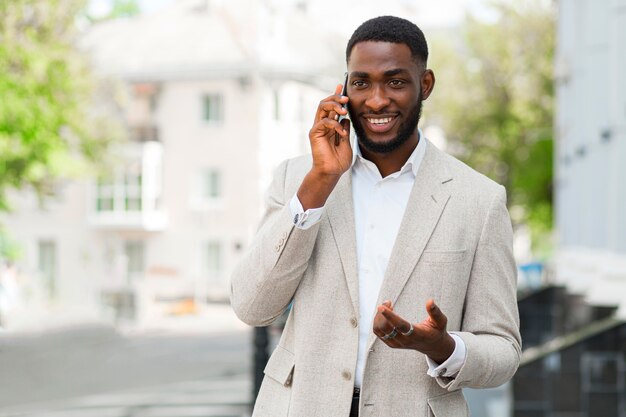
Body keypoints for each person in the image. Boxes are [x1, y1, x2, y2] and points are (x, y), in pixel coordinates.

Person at [231, 15, 521, 417]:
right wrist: (320, 181)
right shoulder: (299, 179)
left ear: (426, 84)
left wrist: (442, 346)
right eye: (361, 82)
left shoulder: (479, 200)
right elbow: (251, 306)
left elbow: (504, 350)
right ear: (344, 88)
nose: (377, 100)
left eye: (396, 81)